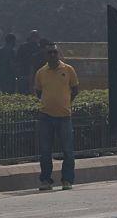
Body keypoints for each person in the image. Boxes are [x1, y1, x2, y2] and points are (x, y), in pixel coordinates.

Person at [34, 44, 79, 191]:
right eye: (49, 53)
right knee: (45, 151)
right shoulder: (41, 72)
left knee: (68, 150)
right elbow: (38, 92)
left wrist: (65, 102)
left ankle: (67, 180)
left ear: (58, 54)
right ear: (45, 55)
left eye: (55, 52)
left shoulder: (68, 70)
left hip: (64, 116)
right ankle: (46, 180)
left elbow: (75, 90)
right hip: (45, 116)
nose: (52, 55)